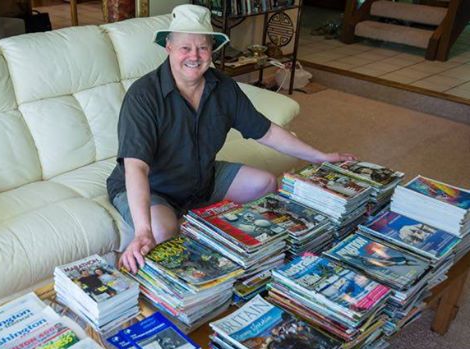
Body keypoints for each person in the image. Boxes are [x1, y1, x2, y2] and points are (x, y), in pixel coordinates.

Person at [107, 5, 355, 274]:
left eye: (202, 47)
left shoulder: (223, 87)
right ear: (168, 47)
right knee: (162, 231)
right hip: (155, 185)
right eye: (185, 48)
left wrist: (321, 157)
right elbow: (136, 167)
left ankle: (245, 261)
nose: (194, 56)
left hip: (201, 178)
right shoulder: (143, 95)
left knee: (265, 183)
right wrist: (143, 231)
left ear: (212, 49)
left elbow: (267, 131)